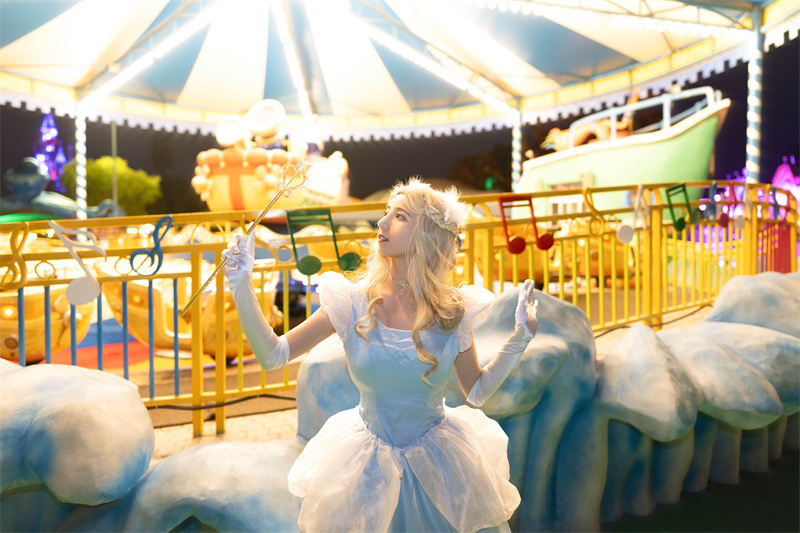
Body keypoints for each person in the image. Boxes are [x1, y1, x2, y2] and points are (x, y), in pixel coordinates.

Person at [222, 177, 539, 533]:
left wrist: (521, 336)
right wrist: (241, 284)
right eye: (387, 212)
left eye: (399, 216)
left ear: (427, 234)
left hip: (440, 467)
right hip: (365, 470)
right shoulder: (352, 302)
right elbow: (274, 355)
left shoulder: (452, 312)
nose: (382, 222)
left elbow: (477, 391)